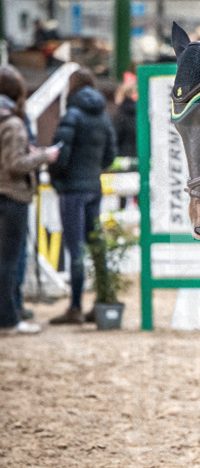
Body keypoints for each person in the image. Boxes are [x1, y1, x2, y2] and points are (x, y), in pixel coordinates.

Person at [49, 68, 117, 325]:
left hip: (72, 190)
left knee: (75, 249)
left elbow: (60, 155)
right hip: (93, 187)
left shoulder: (72, 114)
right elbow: (110, 155)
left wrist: (57, 179)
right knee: (97, 246)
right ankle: (104, 301)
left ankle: (75, 307)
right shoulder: (103, 115)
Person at [0, 66, 60, 335]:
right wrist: (43, 156)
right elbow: (14, 165)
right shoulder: (12, 123)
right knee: (9, 262)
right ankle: (8, 320)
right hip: (12, 196)